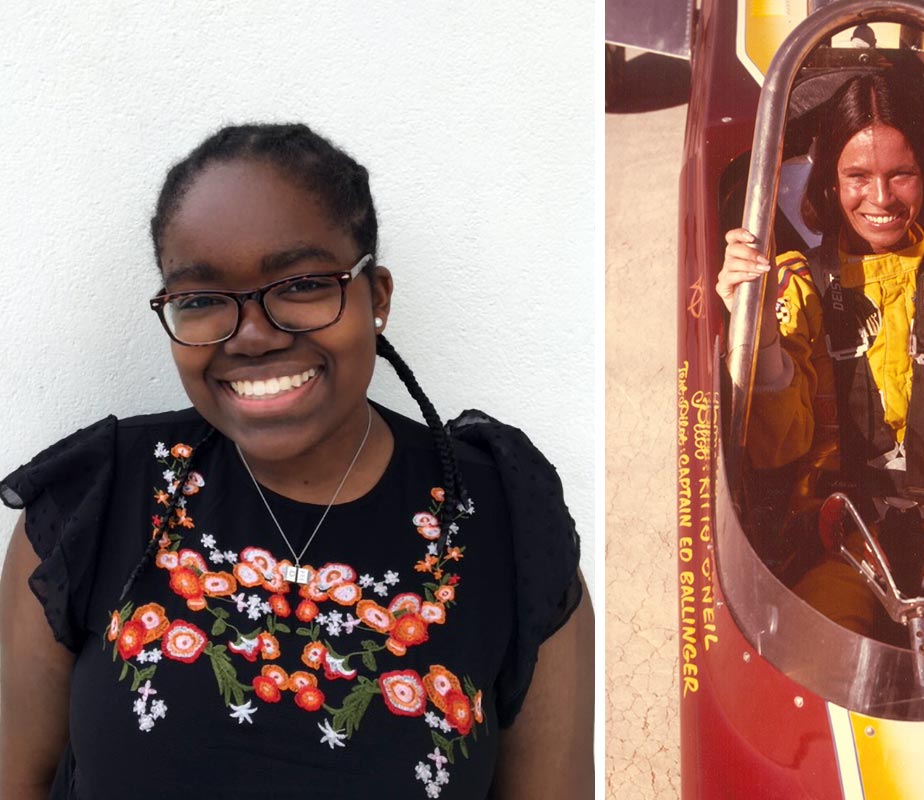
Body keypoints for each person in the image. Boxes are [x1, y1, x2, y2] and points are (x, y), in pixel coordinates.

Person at [0, 124, 593, 798]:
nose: (252, 336)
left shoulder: (503, 527)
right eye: (199, 299)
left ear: (378, 298)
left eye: (304, 284)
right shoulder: (94, 500)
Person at [717, 73, 924, 673]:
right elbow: (776, 444)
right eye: (857, 177)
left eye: (901, 174)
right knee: (822, 665)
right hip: (831, 523)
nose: (881, 197)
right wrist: (759, 328)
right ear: (829, 181)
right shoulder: (795, 286)